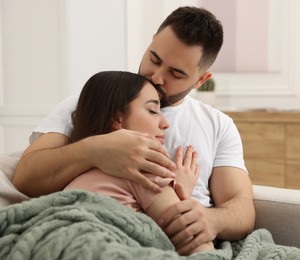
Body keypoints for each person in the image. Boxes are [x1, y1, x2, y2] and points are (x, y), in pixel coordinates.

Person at [13, 6, 255, 255]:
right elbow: (24, 176)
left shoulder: (218, 125)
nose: (157, 77)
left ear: (200, 80)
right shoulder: (95, 103)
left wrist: (212, 220)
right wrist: (96, 149)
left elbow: (242, 207)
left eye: (176, 73)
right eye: (155, 59)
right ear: (151, 42)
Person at [63, 71, 213, 254]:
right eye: (153, 111)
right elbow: (195, 242)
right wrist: (182, 195)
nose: (165, 123)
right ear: (117, 119)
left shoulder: (72, 169)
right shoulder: (142, 166)